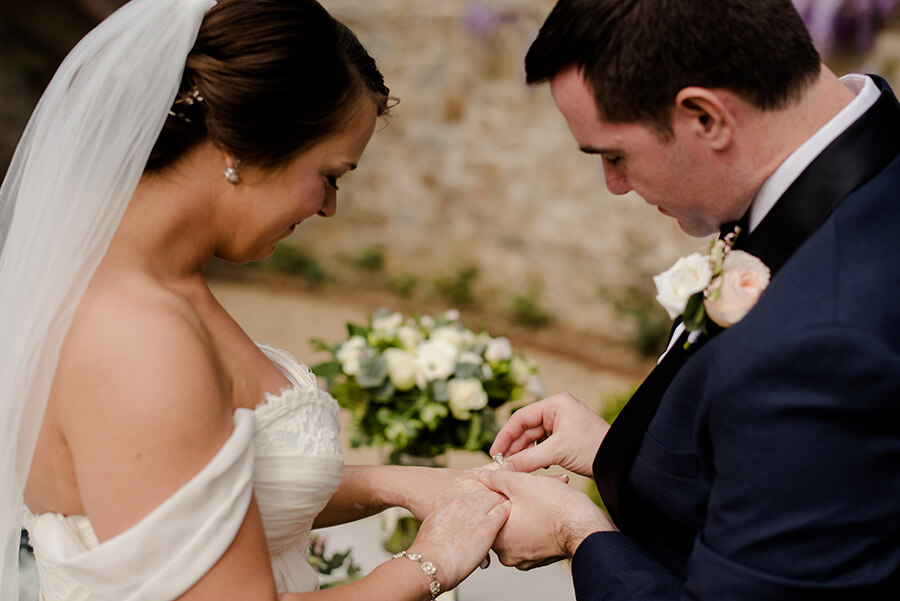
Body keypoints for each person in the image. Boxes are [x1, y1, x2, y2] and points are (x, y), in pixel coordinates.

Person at [0, 1, 510, 600]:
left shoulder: (161, 286)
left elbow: (210, 493)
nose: (329, 207)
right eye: (331, 173)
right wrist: (431, 563)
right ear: (242, 146)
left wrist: (403, 485)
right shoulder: (135, 336)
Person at [480, 0, 900, 599]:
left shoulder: (818, 342)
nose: (614, 185)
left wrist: (579, 532)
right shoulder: (859, 177)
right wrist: (613, 450)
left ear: (706, 117)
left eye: (615, 154)